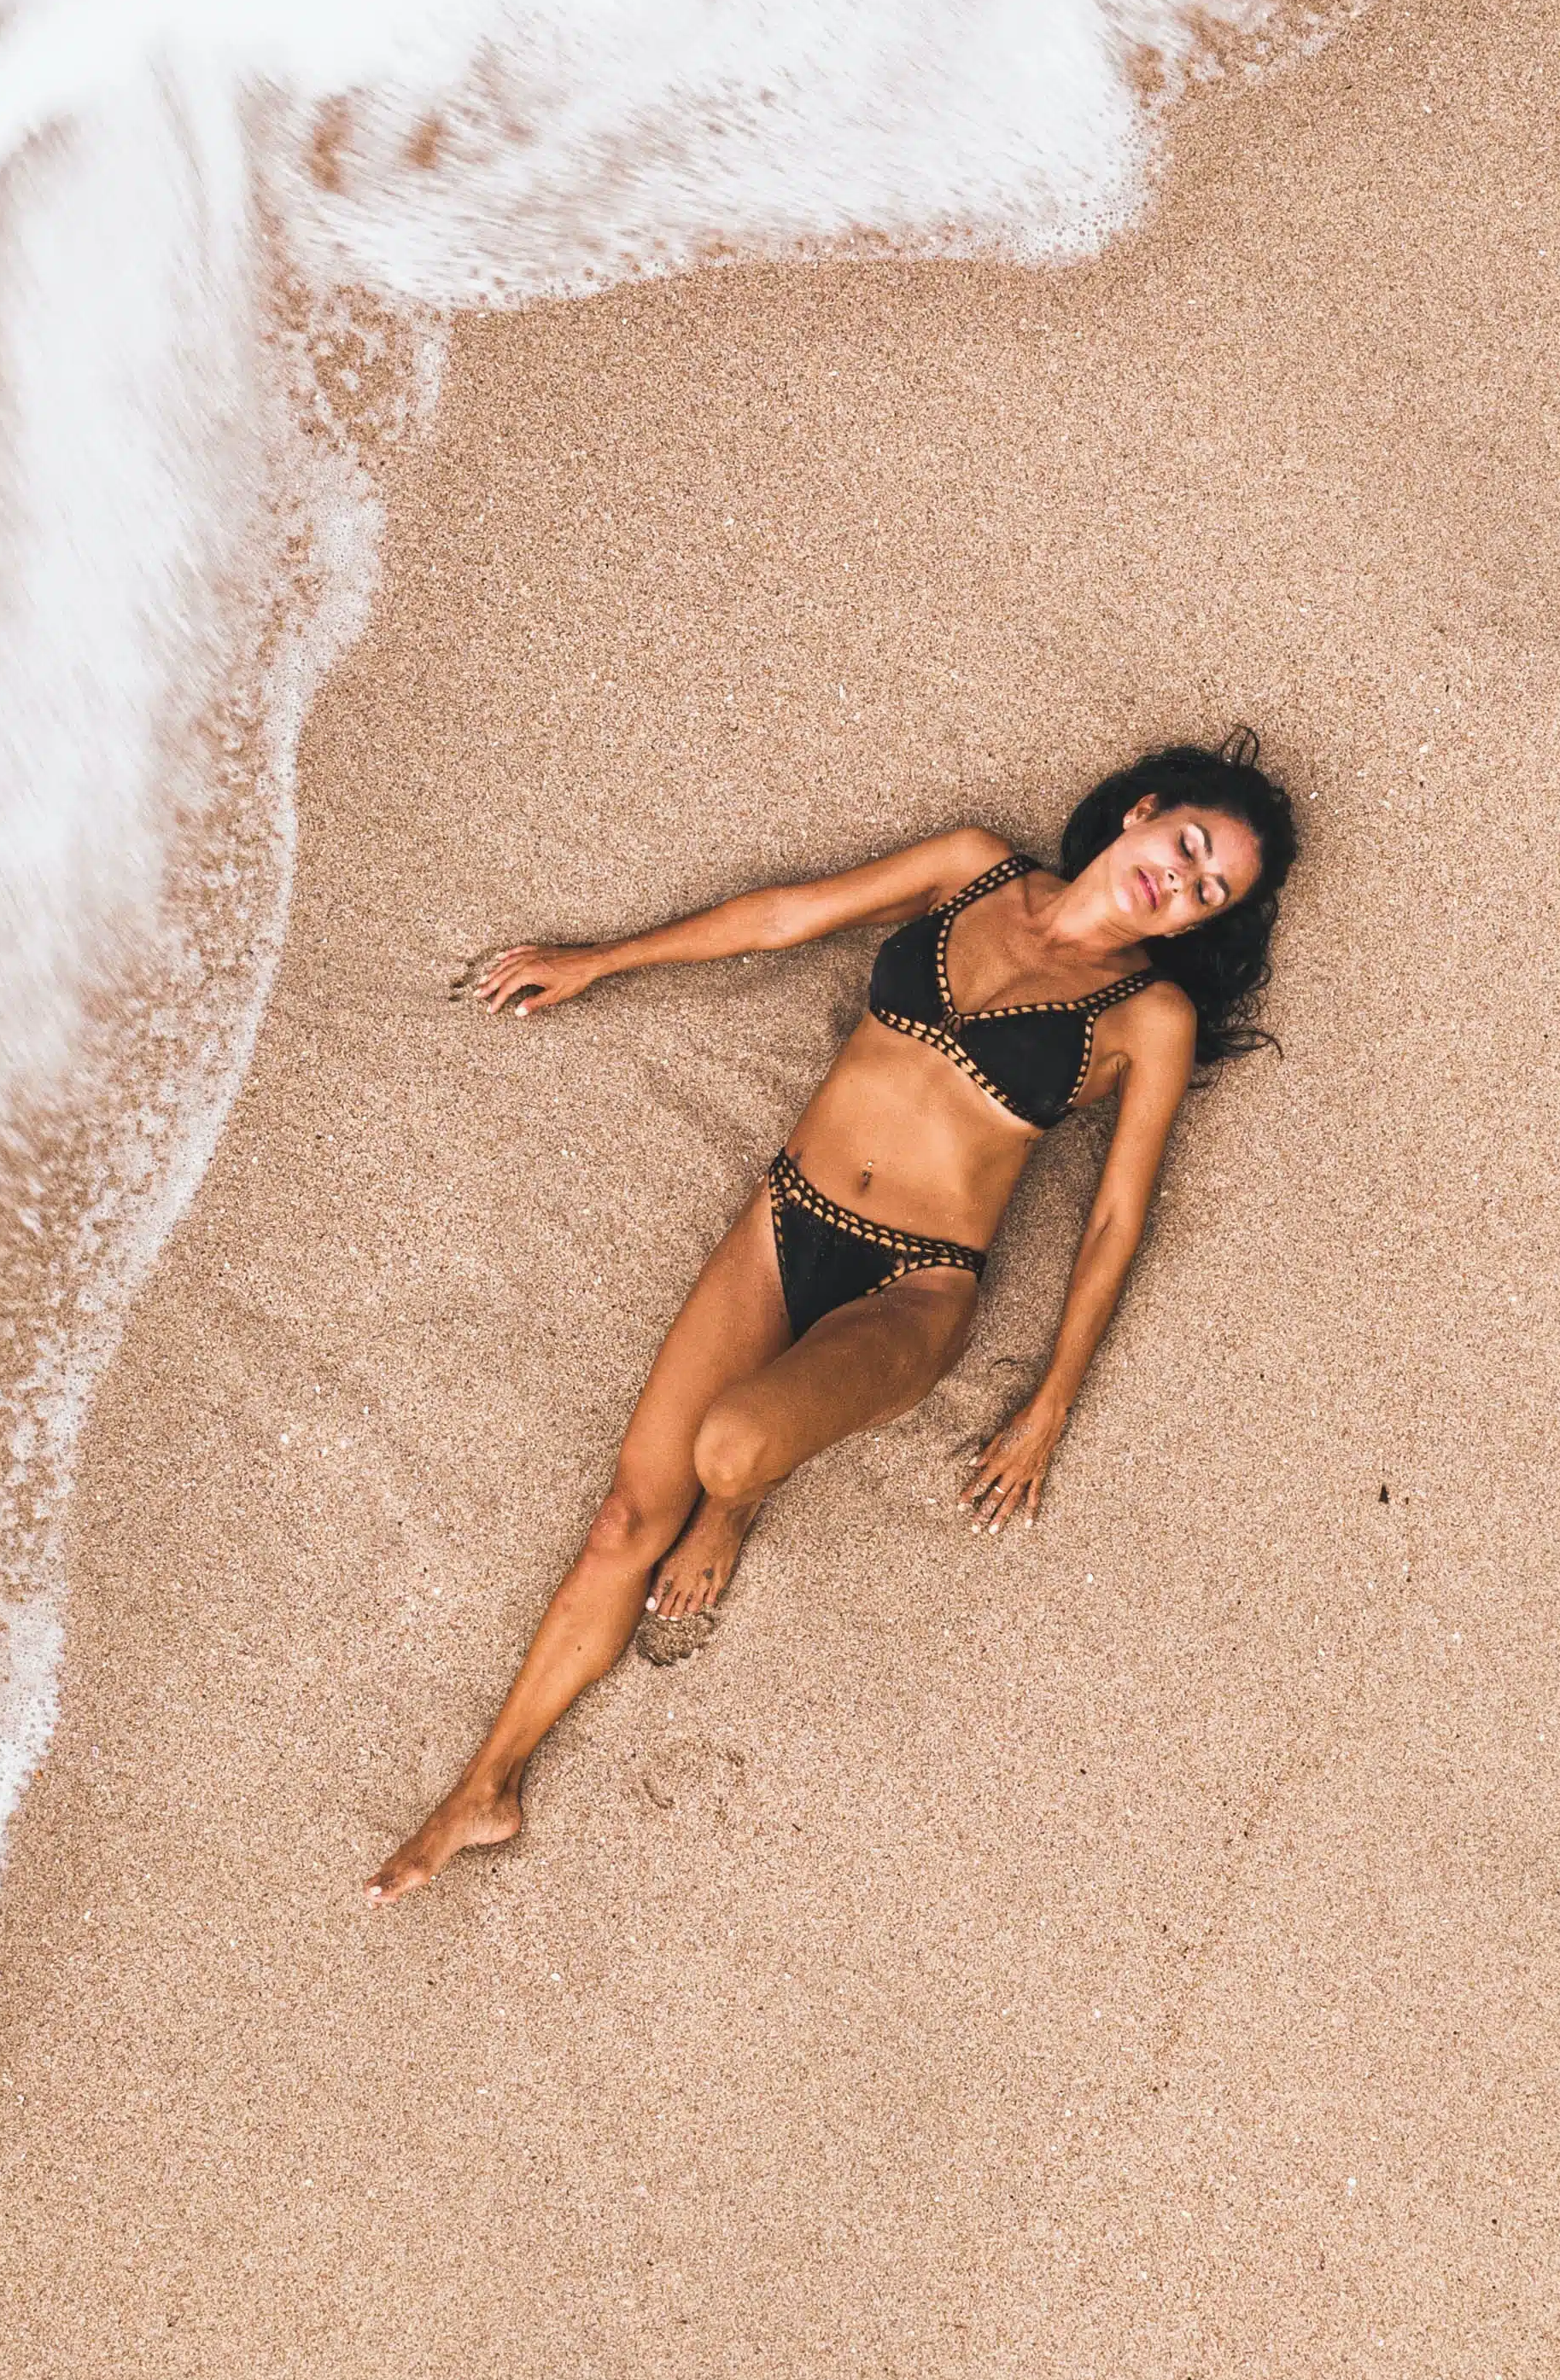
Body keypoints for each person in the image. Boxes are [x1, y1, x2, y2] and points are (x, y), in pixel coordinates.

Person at [362, 735, 1300, 1901]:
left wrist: (1047, 1406)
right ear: (1142, 813)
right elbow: (785, 916)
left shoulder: (1145, 1018)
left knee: (727, 1451)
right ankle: (481, 1793)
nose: (1185, 878)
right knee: (620, 1521)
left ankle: (734, 1512)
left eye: (1211, 892)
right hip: (782, 1219)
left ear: (1194, 926)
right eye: (1191, 845)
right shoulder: (969, 868)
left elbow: (1114, 1220)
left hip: (916, 1283)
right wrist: (605, 961)